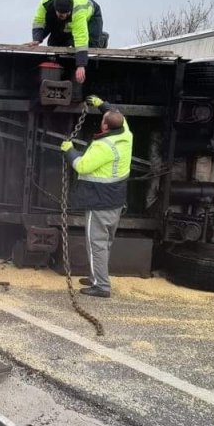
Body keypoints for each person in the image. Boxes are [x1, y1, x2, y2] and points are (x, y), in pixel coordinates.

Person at [60, 95, 133, 298]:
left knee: (96, 244)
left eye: (103, 118)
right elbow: (119, 116)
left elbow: (82, 165)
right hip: (116, 200)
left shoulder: (104, 146)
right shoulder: (126, 135)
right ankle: (96, 276)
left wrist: (69, 151)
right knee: (105, 242)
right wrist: (102, 105)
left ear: (105, 126)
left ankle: (101, 286)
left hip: (99, 202)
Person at [26, 0, 105, 84]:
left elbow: (81, 38)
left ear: (70, 10)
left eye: (67, 14)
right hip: (61, 17)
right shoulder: (45, 3)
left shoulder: (78, 12)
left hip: (92, 15)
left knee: (90, 45)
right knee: (54, 43)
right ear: (55, 9)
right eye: (61, 14)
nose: (65, 15)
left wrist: (81, 65)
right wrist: (37, 39)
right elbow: (39, 21)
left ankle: (102, 38)